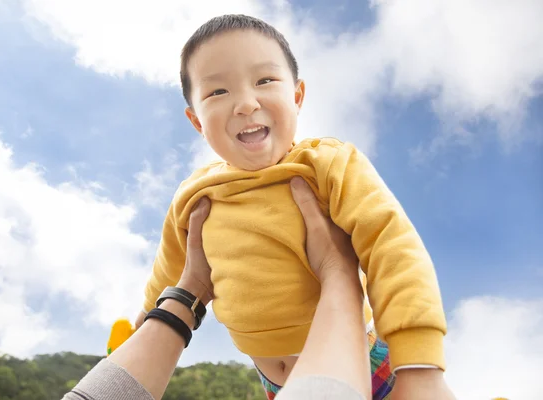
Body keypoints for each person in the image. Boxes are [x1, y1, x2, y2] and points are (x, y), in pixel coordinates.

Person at [133, 14, 454, 400]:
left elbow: (392, 246)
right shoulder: (195, 195)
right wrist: (138, 338)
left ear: (297, 96)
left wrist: (419, 366)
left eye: (265, 81)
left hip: (368, 362)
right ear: (196, 122)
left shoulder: (326, 165)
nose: (246, 104)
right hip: (276, 384)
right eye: (218, 92)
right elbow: (168, 274)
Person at [64, 179, 379, 400]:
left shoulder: (311, 170)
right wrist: (144, 316)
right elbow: (170, 264)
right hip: (278, 385)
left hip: (365, 357)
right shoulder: (203, 192)